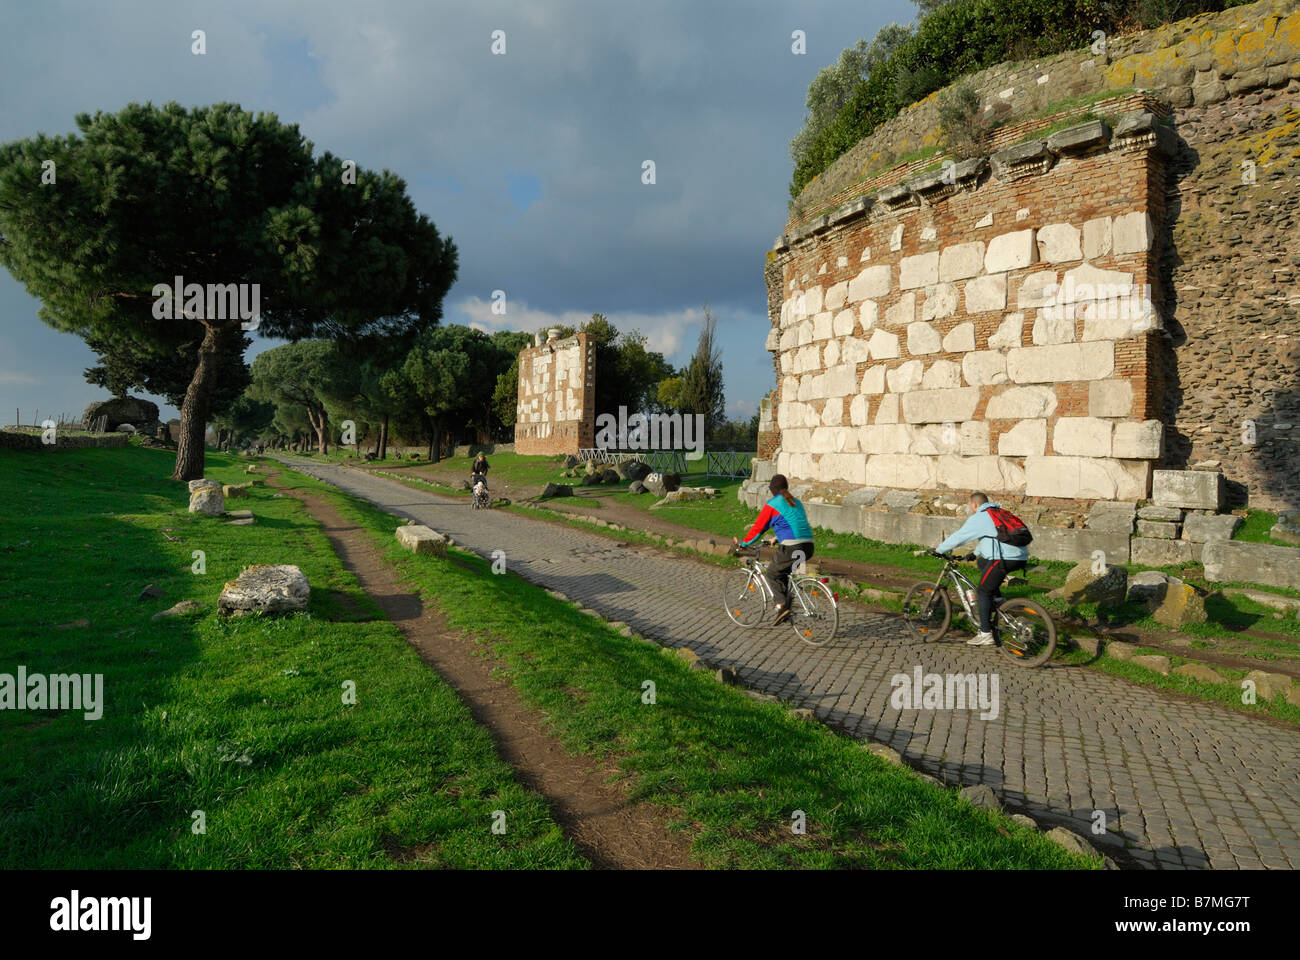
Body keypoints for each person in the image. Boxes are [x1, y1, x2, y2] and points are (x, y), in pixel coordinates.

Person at [934, 492, 1029, 646]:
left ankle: (985, 633)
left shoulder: (980, 517)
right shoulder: (999, 513)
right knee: (982, 562)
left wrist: (939, 549)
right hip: (1019, 557)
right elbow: (992, 538)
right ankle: (997, 600)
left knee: (983, 591)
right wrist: (974, 554)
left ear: (974, 504)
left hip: (1002, 558)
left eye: (969, 505)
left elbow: (960, 536)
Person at [733, 474, 814, 626]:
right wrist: (776, 538)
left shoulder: (773, 504)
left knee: (771, 573)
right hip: (808, 545)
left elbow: (758, 528)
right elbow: (792, 523)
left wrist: (744, 543)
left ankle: (782, 606)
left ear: (772, 489)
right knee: (783, 573)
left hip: (792, 546)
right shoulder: (796, 502)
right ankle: (786, 606)